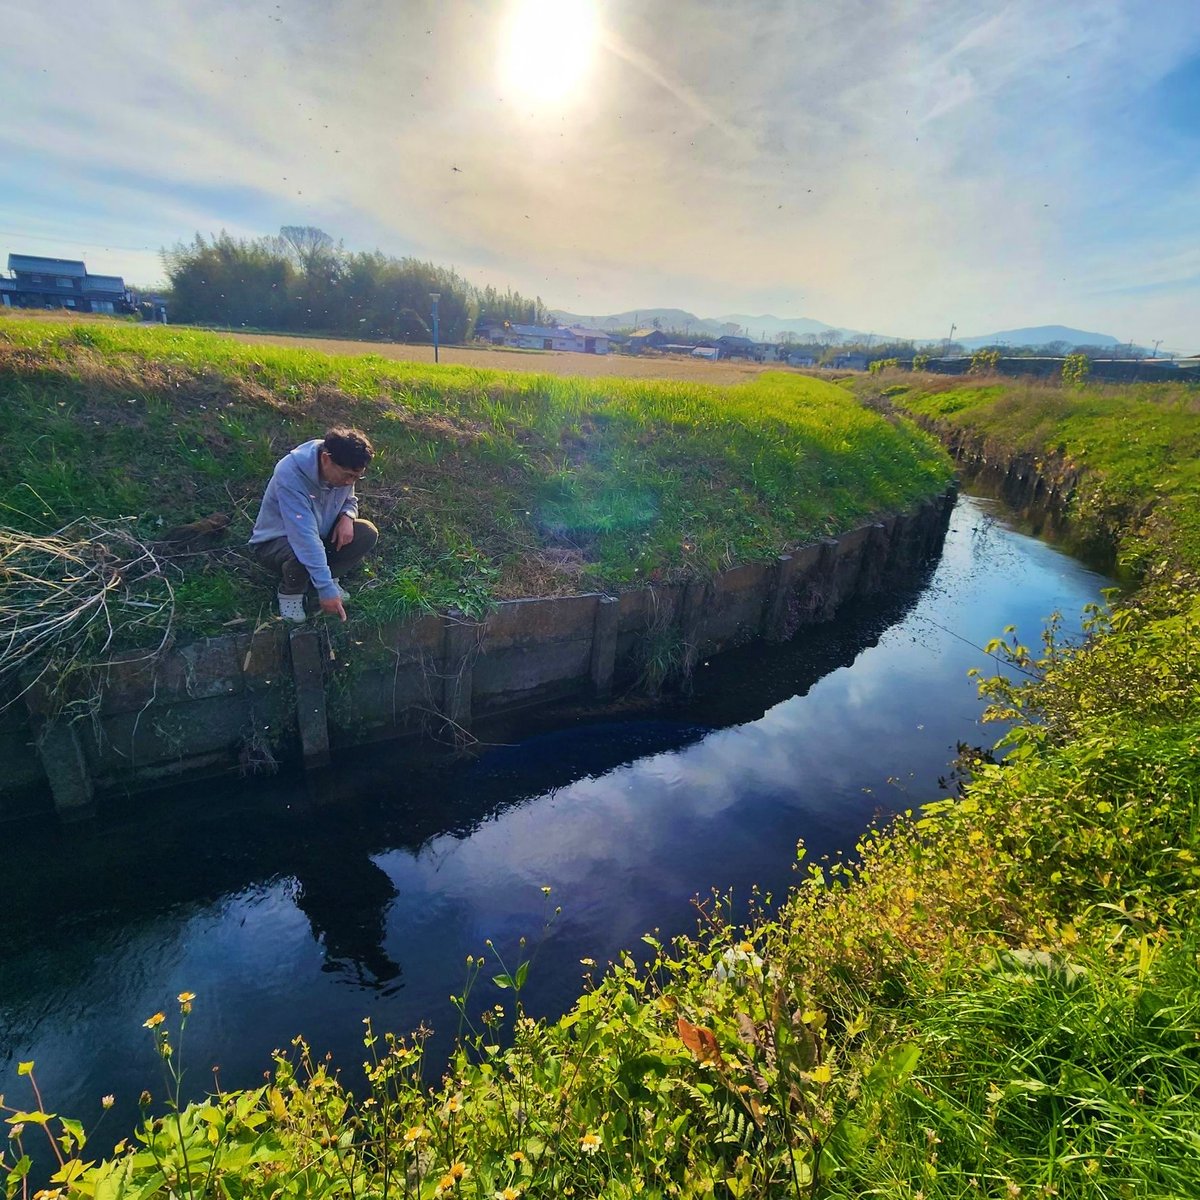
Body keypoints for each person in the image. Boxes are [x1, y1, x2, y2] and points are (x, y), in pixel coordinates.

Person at [249, 427, 379, 622]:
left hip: (317, 535)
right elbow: (304, 538)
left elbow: (349, 500)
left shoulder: (343, 467)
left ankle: (324, 579)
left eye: (356, 477)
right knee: (302, 554)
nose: (350, 482)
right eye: (348, 476)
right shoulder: (290, 475)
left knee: (366, 533)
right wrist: (325, 590)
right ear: (326, 459)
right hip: (275, 542)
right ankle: (290, 594)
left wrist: (347, 516)